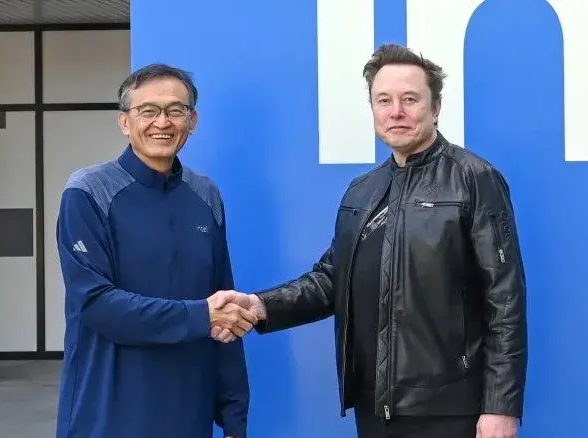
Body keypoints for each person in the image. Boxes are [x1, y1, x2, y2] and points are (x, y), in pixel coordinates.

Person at [211, 44, 528, 438]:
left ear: (435, 107)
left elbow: (505, 299)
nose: (396, 112)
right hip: (375, 407)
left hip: (451, 408)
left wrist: (500, 406)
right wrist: (260, 306)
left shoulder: (474, 178)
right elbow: (331, 280)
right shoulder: (362, 190)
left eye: (410, 99)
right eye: (384, 100)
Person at [55, 64, 257, 438]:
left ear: (192, 121)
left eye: (175, 110)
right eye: (148, 110)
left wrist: (234, 418)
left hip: (188, 413)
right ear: (124, 121)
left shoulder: (205, 195)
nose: (162, 122)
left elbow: (223, 303)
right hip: (108, 414)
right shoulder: (88, 192)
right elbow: (97, 304)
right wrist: (201, 315)